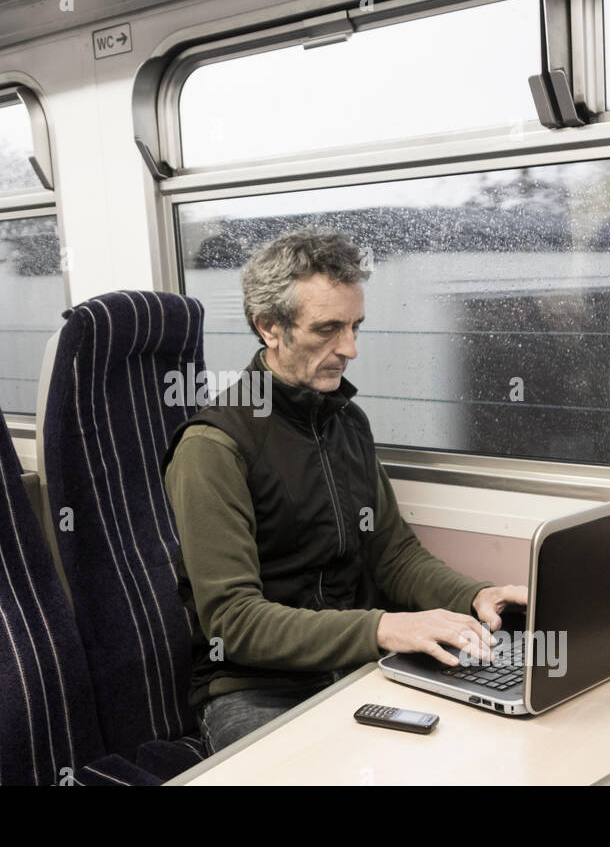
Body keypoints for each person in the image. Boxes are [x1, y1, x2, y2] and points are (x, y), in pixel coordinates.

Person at [163, 227, 527, 755]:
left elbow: (393, 555)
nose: (350, 349)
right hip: (259, 689)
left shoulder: (346, 422)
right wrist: (383, 628)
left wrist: (473, 595)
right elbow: (234, 621)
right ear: (270, 327)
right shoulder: (213, 446)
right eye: (327, 329)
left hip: (357, 666)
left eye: (355, 326)